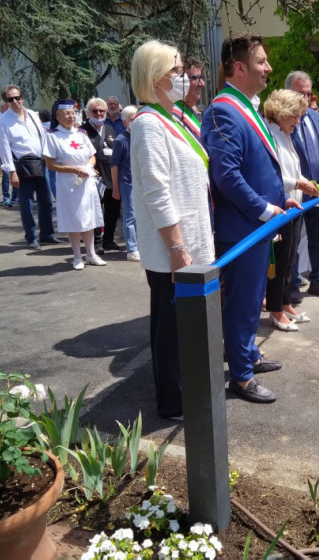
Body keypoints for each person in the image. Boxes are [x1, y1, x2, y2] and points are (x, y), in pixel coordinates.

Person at [201, 32, 293, 404]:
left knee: (252, 298)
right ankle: (240, 377)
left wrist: (279, 198)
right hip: (243, 229)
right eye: (261, 62)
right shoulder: (224, 109)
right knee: (241, 303)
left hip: (257, 226)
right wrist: (265, 208)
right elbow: (227, 176)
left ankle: (248, 355)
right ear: (240, 68)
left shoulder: (247, 106)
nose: (269, 68)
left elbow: (256, 166)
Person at [131, 39, 215, 417]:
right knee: (171, 328)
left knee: (189, 327)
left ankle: (188, 390)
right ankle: (172, 400)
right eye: (176, 72)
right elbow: (157, 192)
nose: (184, 79)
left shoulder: (176, 118)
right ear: (155, 78)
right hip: (173, 252)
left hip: (194, 241)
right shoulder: (149, 125)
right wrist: (178, 249)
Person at [263, 89, 319, 332]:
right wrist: (299, 183)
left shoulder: (285, 133)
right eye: (295, 116)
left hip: (295, 205)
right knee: (280, 262)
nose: (298, 121)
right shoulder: (270, 133)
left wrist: (309, 184)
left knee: (289, 260)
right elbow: (273, 175)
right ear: (281, 113)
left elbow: (293, 170)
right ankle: (276, 310)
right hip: (280, 207)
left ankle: (286, 303)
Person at [285, 70, 319, 302]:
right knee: (294, 241)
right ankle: (293, 284)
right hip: (296, 190)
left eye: (309, 93)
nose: (306, 99)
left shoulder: (317, 118)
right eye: (300, 93)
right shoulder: (283, 120)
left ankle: (318, 281)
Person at [0, 84, 62, 250]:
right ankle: (31, 237)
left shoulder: (32, 115)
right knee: (27, 204)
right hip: (21, 166)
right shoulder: (3, 121)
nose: (15, 101)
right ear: (6, 101)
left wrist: (50, 158)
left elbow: (43, 137)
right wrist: (11, 172)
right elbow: (4, 149)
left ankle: (47, 234)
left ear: (22, 98)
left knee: (46, 201)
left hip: (40, 163)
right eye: (11, 99)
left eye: (17, 98)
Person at [44, 99, 105, 270]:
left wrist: (88, 166)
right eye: (67, 114)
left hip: (86, 181)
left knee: (89, 218)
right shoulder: (52, 136)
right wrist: (73, 169)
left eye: (73, 113)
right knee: (74, 219)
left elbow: (92, 156)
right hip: (68, 183)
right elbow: (50, 164)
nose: (71, 116)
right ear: (58, 116)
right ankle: (77, 256)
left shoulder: (81, 134)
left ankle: (91, 254)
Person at [81, 98, 119, 254]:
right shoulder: (82, 131)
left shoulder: (109, 129)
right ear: (88, 112)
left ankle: (108, 239)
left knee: (113, 210)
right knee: (95, 211)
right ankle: (97, 243)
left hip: (111, 178)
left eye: (101, 111)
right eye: (95, 111)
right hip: (94, 179)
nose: (98, 114)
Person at [110, 105, 140, 262]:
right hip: (127, 182)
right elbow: (114, 166)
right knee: (130, 215)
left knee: (139, 216)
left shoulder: (140, 137)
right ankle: (132, 249)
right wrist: (116, 187)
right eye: (134, 119)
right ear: (126, 122)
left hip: (139, 182)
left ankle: (140, 245)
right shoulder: (121, 140)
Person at [172, 57, 205, 139]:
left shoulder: (191, 112)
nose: (202, 84)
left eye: (201, 78)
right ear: (180, 81)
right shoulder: (172, 116)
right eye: (195, 78)